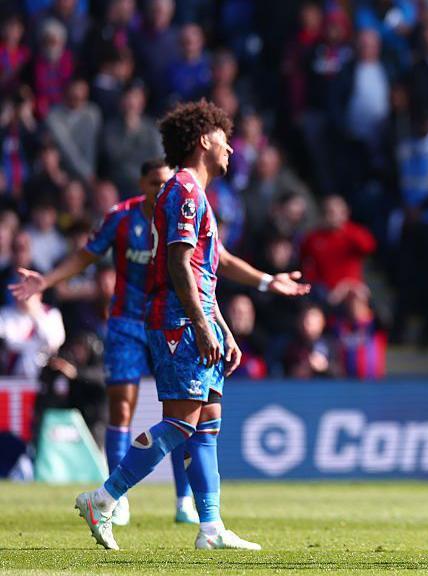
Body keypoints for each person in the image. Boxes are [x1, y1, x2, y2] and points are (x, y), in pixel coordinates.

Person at [14, 158, 308, 526]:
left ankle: (184, 501)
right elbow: (86, 254)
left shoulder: (183, 212)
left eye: (165, 182)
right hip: (127, 323)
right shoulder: (122, 216)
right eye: (154, 182)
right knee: (123, 408)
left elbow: (217, 263)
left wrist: (265, 282)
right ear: (141, 183)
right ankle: (116, 501)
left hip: (172, 321)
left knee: (187, 413)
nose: (160, 189)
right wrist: (47, 281)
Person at [71, 101, 303, 551]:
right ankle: (104, 498)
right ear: (204, 140)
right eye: (225, 138)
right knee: (180, 424)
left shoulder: (197, 194)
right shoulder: (183, 190)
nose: (232, 149)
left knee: (207, 423)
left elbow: (203, 271)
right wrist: (200, 322)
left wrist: (222, 328)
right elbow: (178, 264)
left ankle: (210, 527)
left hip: (195, 318)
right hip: (178, 321)